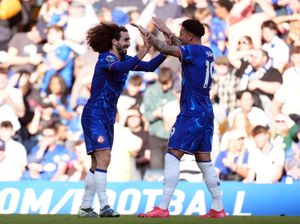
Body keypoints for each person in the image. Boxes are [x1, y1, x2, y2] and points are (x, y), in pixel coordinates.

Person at [135, 17, 226, 218]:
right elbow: (180, 45)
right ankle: (218, 208)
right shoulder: (207, 51)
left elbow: (166, 49)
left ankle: (163, 207)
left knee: (172, 154)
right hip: (205, 111)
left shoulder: (192, 51)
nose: (180, 36)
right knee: (204, 160)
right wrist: (168, 30)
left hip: (191, 112)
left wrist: (150, 36)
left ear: (190, 35)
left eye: (182, 33)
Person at [78, 21, 167, 218]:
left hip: (108, 116)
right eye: (125, 40)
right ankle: (104, 206)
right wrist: (145, 47)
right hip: (94, 114)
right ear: (113, 41)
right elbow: (122, 67)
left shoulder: (124, 59)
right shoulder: (106, 58)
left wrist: (166, 51)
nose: (128, 43)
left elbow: (150, 67)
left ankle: (85, 207)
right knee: (104, 157)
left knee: (98, 163)